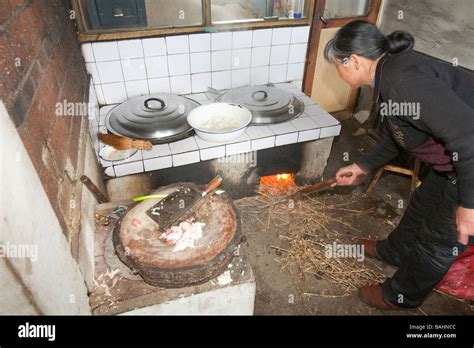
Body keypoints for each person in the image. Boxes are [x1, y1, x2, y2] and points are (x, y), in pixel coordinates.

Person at [324, 20, 474, 310]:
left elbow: (468, 137)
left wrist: (469, 204)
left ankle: (399, 296)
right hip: (454, 161)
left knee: (441, 240)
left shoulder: (404, 82)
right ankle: (392, 251)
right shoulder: (389, 74)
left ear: (353, 61)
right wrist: (364, 165)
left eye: (337, 66)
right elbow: (403, 132)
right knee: (421, 206)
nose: (338, 74)